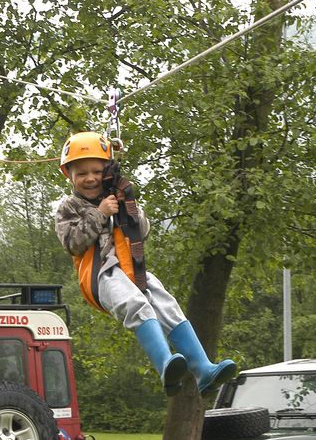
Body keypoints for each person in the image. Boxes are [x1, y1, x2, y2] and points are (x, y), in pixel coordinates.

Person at [55, 131, 237, 395]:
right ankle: (165, 364)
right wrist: (100, 214)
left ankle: (203, 368)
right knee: (135, 304)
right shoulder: (69, 207)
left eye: (96, 171)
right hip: (100, 274)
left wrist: (128, 205)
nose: (90, 178)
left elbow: (142, 231)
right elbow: (72, 243)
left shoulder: (116, 196)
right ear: (68, 174)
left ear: (106, 171)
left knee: (166, 304)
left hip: (132, 268)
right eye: (81, 173)